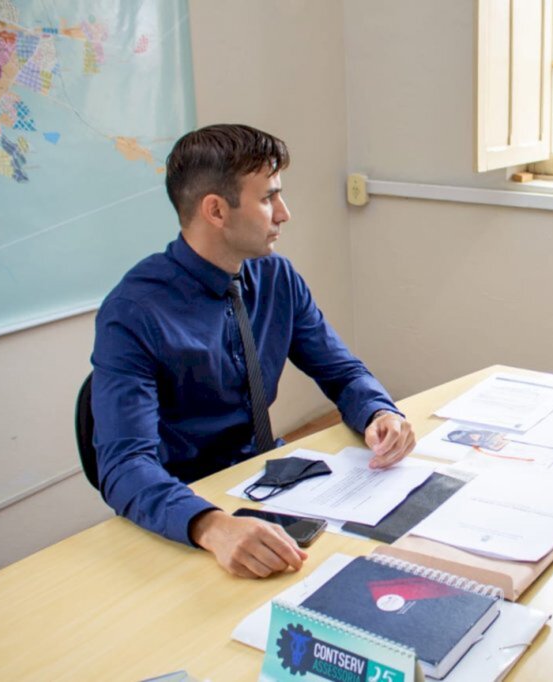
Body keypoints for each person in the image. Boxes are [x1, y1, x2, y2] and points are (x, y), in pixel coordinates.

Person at [91, 124, 415, 578]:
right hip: (190, 509)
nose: (285, 213)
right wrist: (212, 526)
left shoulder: (276, 277)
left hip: (271, 484)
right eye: (268, 198)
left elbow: (341, 372)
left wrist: (379, 412)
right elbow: (124, 466)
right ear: (217, 210)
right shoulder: (132, 312)